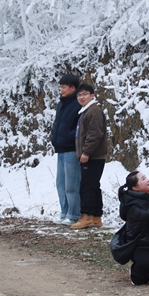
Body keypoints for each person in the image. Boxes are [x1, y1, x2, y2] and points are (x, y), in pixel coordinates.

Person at [71, 83, 109, 229]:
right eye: (79, 95)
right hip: (92, 156)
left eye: (85, 94)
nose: (81, 97)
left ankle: (86, 216)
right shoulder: (86, 111)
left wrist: (86, 152)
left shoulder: (93, 111)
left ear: (92, 95)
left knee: (87, 187)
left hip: (93, 156)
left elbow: (95, 135)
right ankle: (95, 217)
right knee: (93, 186)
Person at [50, 74, 82, 226]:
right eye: (60, 86)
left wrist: (69, 137)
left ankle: (74, 214)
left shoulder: (78, 104)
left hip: (71, 148)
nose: (61, 89)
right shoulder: (61, 103)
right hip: (60, 148)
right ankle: (64, 212)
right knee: (61, 183)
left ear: (73, 88)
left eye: (64, 87)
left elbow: (79, 127)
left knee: (72, 184)